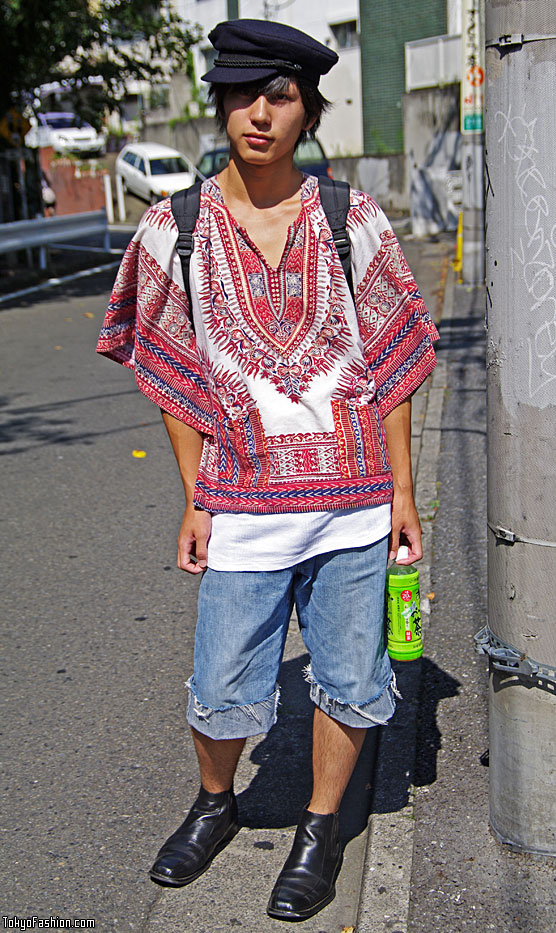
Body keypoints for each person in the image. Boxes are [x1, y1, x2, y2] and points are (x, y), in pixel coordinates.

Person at [97, 18, 438, 922]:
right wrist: (195, 498)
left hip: (356, 506)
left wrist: (404, 491)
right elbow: (171, 376)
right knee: (219, 688)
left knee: (352, 681)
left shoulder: (349, 219)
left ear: (307, 111)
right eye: (242, 95)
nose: (259, 114)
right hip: (242, 504)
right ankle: (217, 801)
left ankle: (321, 826)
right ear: (219, 106)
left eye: (279, 96)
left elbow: (392, 358)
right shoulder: (176, 227)